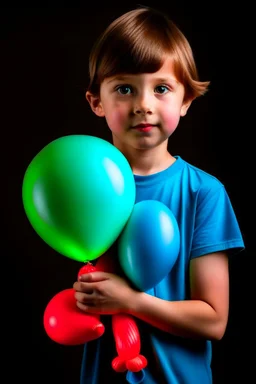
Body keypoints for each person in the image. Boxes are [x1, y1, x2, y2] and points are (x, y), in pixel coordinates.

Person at [73, 6, 245, 384]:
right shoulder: (84, 187)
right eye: (124, 88)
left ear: (185, 101)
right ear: (96, 102)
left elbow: (214, 320)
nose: (143, 104)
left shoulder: (204, 193)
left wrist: (129, 302)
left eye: (161, 88)